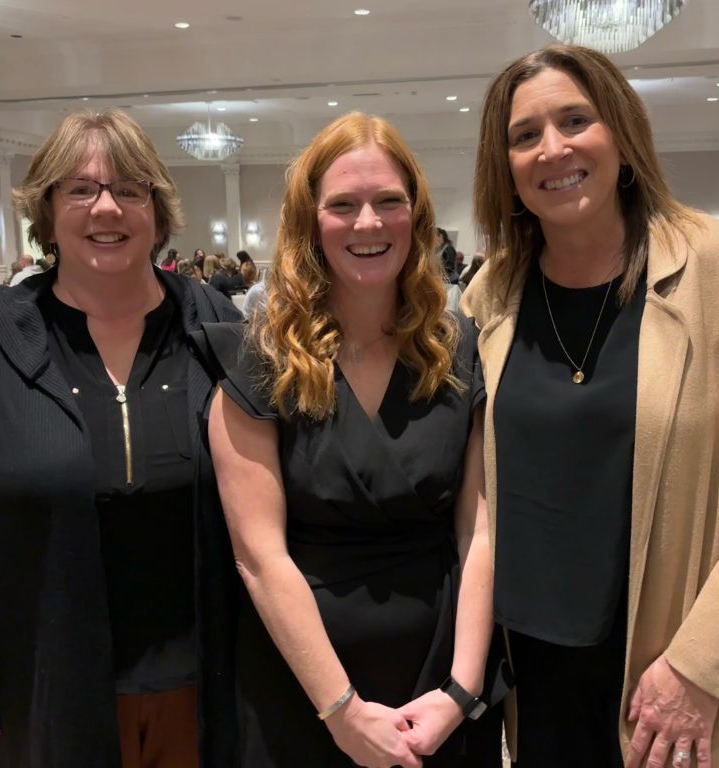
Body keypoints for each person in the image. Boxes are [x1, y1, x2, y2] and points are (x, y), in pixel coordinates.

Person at [462, 44, 719, 768]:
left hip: (668, 665)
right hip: (531, 666)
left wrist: (701, 662)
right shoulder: (492, 295)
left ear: (622, 136)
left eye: (576, 119)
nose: (554, 148)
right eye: (525, 134)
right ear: (503, 169)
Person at [0, 108, 243, 768]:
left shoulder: (215, 327)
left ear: (157, 206)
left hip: (208, 681)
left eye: (129, 188)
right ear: (48, 209)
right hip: (43, 683)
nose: (106, 209)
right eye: (80, 189)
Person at [199, 111, 506, 768]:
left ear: (417, 217)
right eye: (343, 205)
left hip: (443, 685)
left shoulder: (459, 352)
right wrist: (342, 712)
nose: (368, 223)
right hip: (305, 696)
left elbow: (479, 531)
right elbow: (259, 558)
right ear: (311, 223)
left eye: (388, 201)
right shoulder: (258, 362)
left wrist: (463, 688)